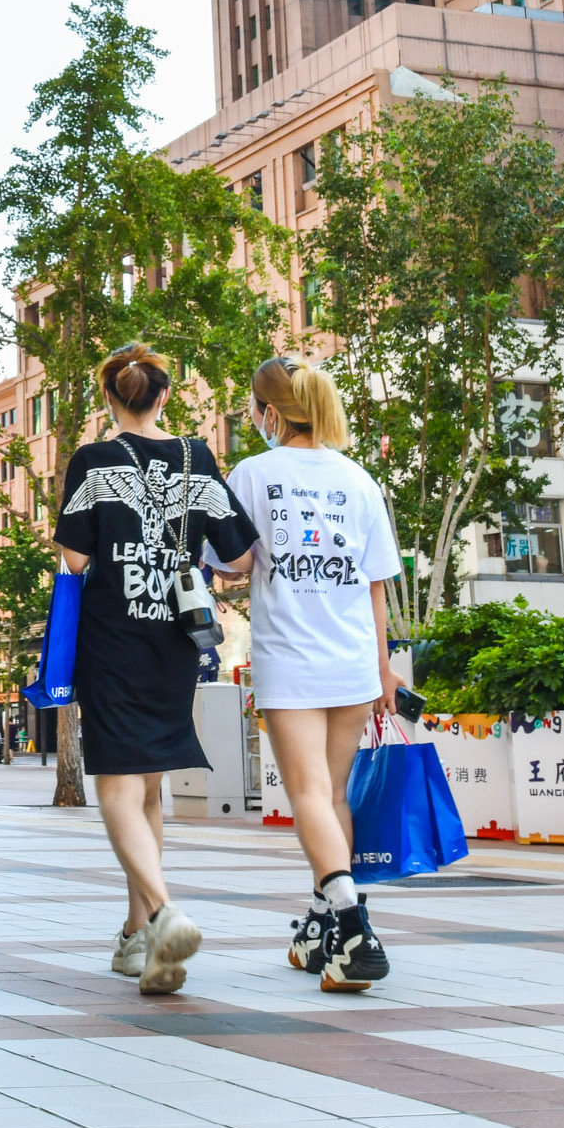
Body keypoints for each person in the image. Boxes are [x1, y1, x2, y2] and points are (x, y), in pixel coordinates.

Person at [53, 341, 255, 997]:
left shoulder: (93, 460)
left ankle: (165, 913)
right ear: (165, 394)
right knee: (148, 790)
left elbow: (74, 560)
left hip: (112, 639)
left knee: (117, 787)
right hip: (175, 641)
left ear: (110, 397)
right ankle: (137, 935)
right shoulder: (198, 457)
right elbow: (239, 559)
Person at [221, 356, 402, 992]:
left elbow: (235, 563)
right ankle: (321, 926)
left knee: (306, 792)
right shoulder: (359, 479)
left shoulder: (252, 474)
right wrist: (384, 669)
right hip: (352, 659)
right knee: (332, 795)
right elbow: (377, 584)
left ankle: (354, 929)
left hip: (291, 658)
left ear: (269, 412)